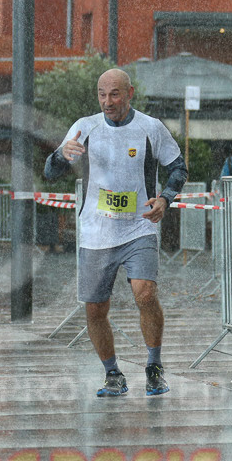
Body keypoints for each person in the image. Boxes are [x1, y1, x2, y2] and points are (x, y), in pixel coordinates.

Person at [44, 68, 187, 397]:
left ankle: (153, 367)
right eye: (102, 94)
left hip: (140, 226)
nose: (107, 101)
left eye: (115, 94)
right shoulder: (85, 127)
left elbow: (178, 168)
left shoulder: (151, 128)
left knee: (145, 294)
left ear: (130, 93)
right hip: (97, 231)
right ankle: (113, 374)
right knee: (95, 309)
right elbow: (50, 172)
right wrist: (60, 155)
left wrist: (165, 199)